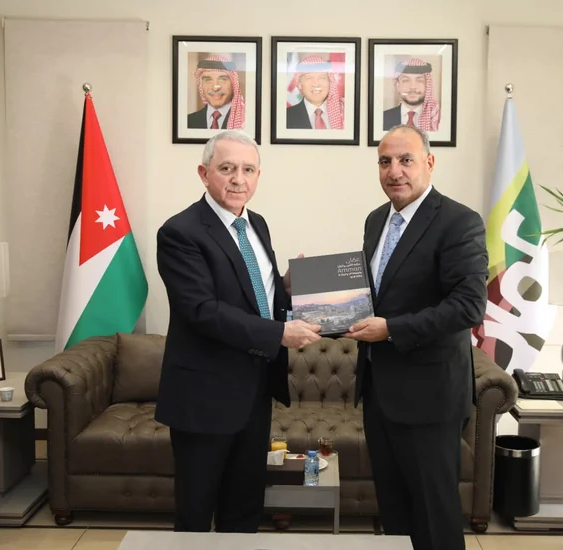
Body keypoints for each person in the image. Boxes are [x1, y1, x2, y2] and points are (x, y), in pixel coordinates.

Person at [154, 130, 321, 533]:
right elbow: (202, 311)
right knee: (195, 516)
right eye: (227, 168)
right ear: (204, 173)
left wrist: (285, 287)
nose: (238, 179)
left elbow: (254, 295)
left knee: (245, 510)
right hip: (204, 397)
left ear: (258, 175)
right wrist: (278, 334)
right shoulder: (180, 232)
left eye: (248, 170)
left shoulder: (256, 224)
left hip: (254, 392)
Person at [345, 125, 488, 550]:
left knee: (434, 518)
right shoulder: (376, 220)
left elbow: (468, 306)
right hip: (379, 393)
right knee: (394, 514)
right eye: (385, 162)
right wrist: (321, 299)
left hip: (430, 398)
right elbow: (374, 293)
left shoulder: (459, 222)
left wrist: (391, 329)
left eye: (405, 160)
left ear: (429, 162)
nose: (395, 171)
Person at [187, 54, 246, 130]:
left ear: (233, 84)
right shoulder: (188, 121)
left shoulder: (245, 120)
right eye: (208, 80)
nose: (215, 88)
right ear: (201, 85)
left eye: (223, 79)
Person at [286, 55, 344, 130]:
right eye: (309, 78)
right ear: (299, 84)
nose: (316, 84)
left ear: (330, 82)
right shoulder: (285, 117)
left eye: (322, 78)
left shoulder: (345, 113)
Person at [382, 59, 441, 132]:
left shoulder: (438, 118)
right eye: (406, 80)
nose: (413, 86)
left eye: (419, 81)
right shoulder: (382, 118)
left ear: (427, 85)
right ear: (397, 85)